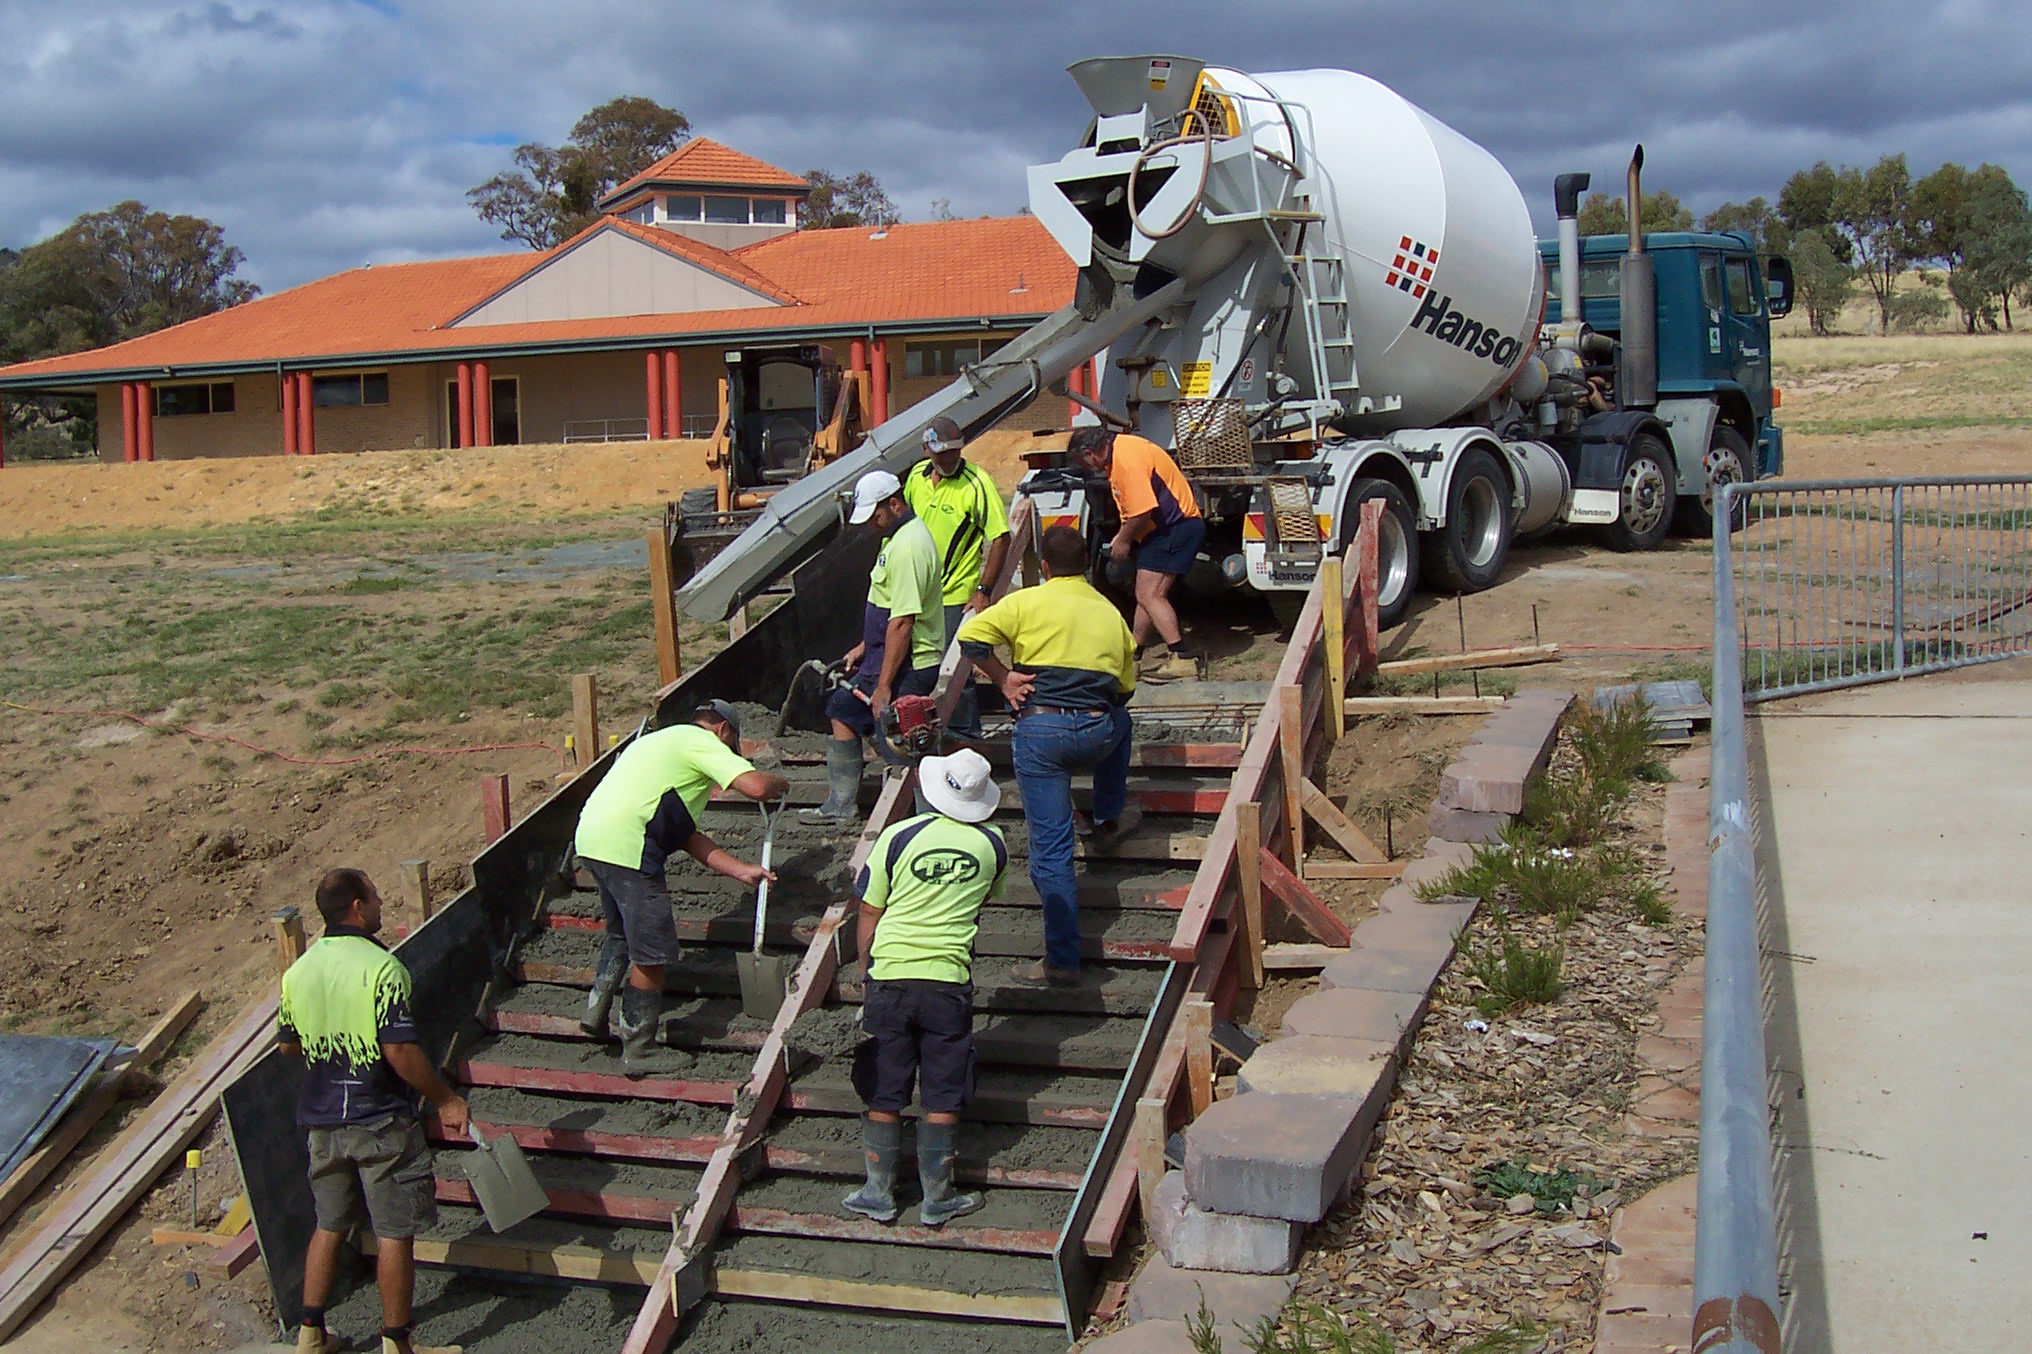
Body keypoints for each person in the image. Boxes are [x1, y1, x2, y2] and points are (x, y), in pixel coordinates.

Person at [281, 869, 467, 1354]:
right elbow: (400, 1051)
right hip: (379, 1119)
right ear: (358, 908)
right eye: (376, 896)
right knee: (393, 1232)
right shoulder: (382, 969)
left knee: (330, 1224)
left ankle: (310, 1335)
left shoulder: (298, 971)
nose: (382, 902)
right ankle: (397, 1344)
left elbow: (287, 1046)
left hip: (322, 1121)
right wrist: (446, 1098)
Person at [956, 526, 1141, 987]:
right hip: (1097, 729)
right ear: (1086, 565)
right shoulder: (1110, 612)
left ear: (1044, 566)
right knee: (1123, 724)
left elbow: (971, 637)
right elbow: (1126, 689)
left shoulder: (1025, 603)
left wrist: (1002, 678)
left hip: (1040, 731)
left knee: (1052, 848)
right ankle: (1108, 817)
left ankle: (1062, 960)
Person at [573, 699, 788, 1075]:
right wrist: (780, 783)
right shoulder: (700, 742)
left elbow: (686, 835)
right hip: (630, 844)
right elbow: (755, 787)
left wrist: (739, 870)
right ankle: (639, 1050)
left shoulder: (659, 744)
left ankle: (595, 1012)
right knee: (652, 950)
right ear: (723, 731)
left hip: (594, 838)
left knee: (621, 934)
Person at [841, 748, 1007, 1227]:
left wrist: (865, 965)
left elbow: (869, 910)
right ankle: (938, 1196)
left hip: (891, 977)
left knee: (884, 1086)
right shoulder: (993, 845)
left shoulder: (898, 836)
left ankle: (878, 1193)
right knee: (943, 1089)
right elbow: (983, 900)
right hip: (948, 982)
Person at [804, 469, 947, 823]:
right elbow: (887, 609)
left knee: (900, 734)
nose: (871, 524)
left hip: (908, 661)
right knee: (842, 707)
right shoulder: (894, 538)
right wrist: (864, 647)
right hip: (883, 655)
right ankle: (842, 803)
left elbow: (903, 622)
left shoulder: (910, 545)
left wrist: (884, 686)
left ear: (894, 503)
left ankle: (922, 814)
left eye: (875, 515)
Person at [902, 415, 1011, 739]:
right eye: (942, 454)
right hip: (916, 592)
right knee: (918, 667)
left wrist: (983, 589)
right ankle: (925, 732)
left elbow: (1000, 537)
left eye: (954, 452)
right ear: (927, 451)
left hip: (953, 595)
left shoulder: (977, 483)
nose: (949, 459)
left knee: (954, 672)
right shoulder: (916, 479)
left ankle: (965, 738)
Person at [1069, 426, 1206, 682]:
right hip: (1170, 528)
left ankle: (1182, 658)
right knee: (1145, 594)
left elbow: (1142, 511)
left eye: (1084, 463)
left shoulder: (1125, 460)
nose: (1089, 469)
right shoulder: (1126, 448)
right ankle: (1134, 656)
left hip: (1173, 528)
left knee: (1150, 594)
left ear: (1090, 453)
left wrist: (1122, 540)